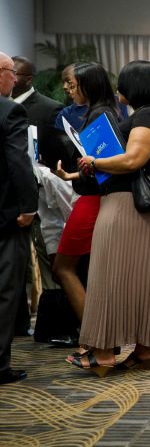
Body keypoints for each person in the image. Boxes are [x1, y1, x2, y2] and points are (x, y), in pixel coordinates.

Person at [66, 60, 150, 375]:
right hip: (135, 207)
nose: (117, 89)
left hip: (127, 206)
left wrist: (95, 162)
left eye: (122, 82)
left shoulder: (145, 116)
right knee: (138, 277)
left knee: (109, 275)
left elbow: (132, 160)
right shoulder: (145, 115)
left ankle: (102, 352)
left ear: (135, 86)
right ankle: (144, 349)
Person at [52, 62, 124, 345]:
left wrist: (83, 171)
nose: (69, 91)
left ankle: (96, 339)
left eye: (73, 85)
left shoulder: (100, 114)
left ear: (89, 85)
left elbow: (109, 165)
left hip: (94, 201)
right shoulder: (105, 111)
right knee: (85, 271)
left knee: (63, 268)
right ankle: (100, 338)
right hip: (95, 197)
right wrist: (72, 173)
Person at [0, 51, 38, 385]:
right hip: (5, 217)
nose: (15, 79)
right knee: (7, 291)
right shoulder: (10, 111)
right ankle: (0, 365)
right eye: (12, 72)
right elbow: (18, 163)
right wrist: (29, 207)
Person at [11, 56, 64, 170]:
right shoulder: (3, 105)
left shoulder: (51, 109)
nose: (7, 77)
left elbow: (57, 155)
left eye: (13, 73)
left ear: (29, 80)